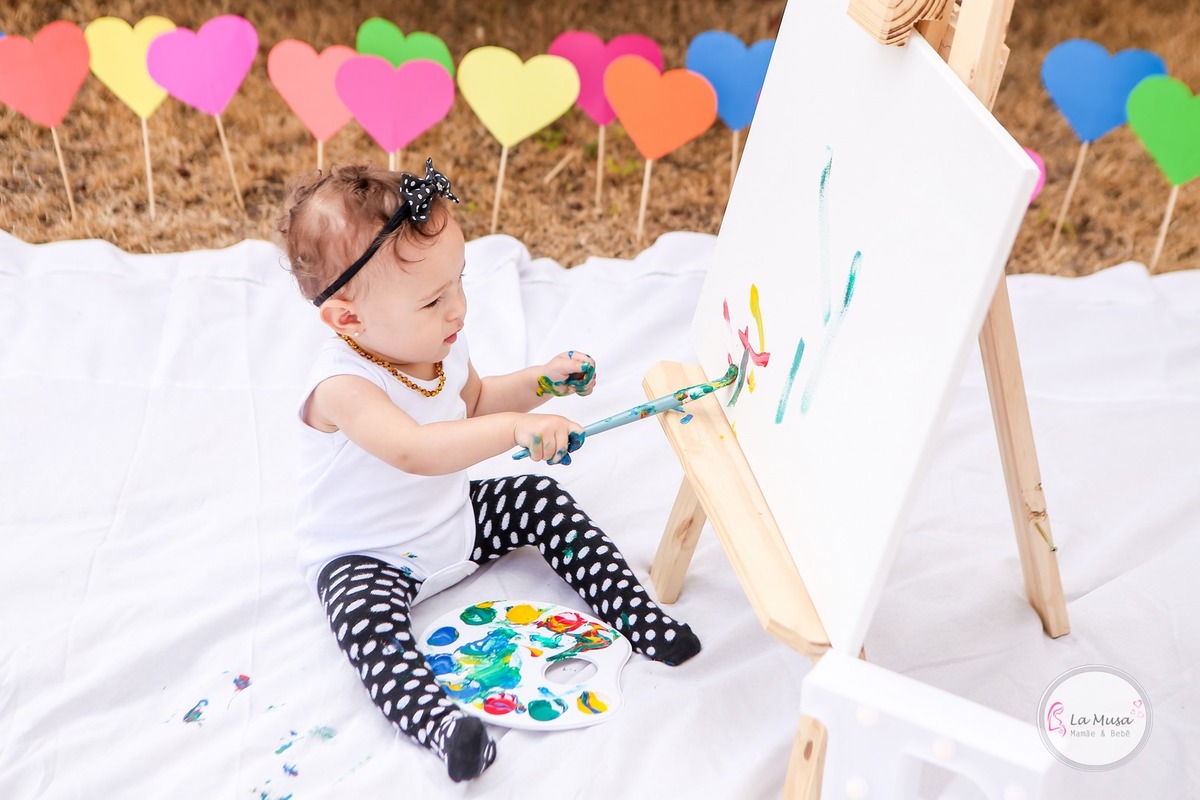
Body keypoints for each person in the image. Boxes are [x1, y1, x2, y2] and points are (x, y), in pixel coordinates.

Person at [274, 160, 701, 782]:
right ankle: (445, 728)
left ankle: (634, 613)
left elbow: (472, 402)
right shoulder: (341, 386)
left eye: (459, 282)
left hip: (454, 521)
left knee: (540, 498)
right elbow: (415, 450)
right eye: (433, 299)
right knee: (373, 639)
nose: (459, 310)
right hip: (367, 555)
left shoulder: (440, 343)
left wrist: (541, 382)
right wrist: (515, 430)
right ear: (348, 318)